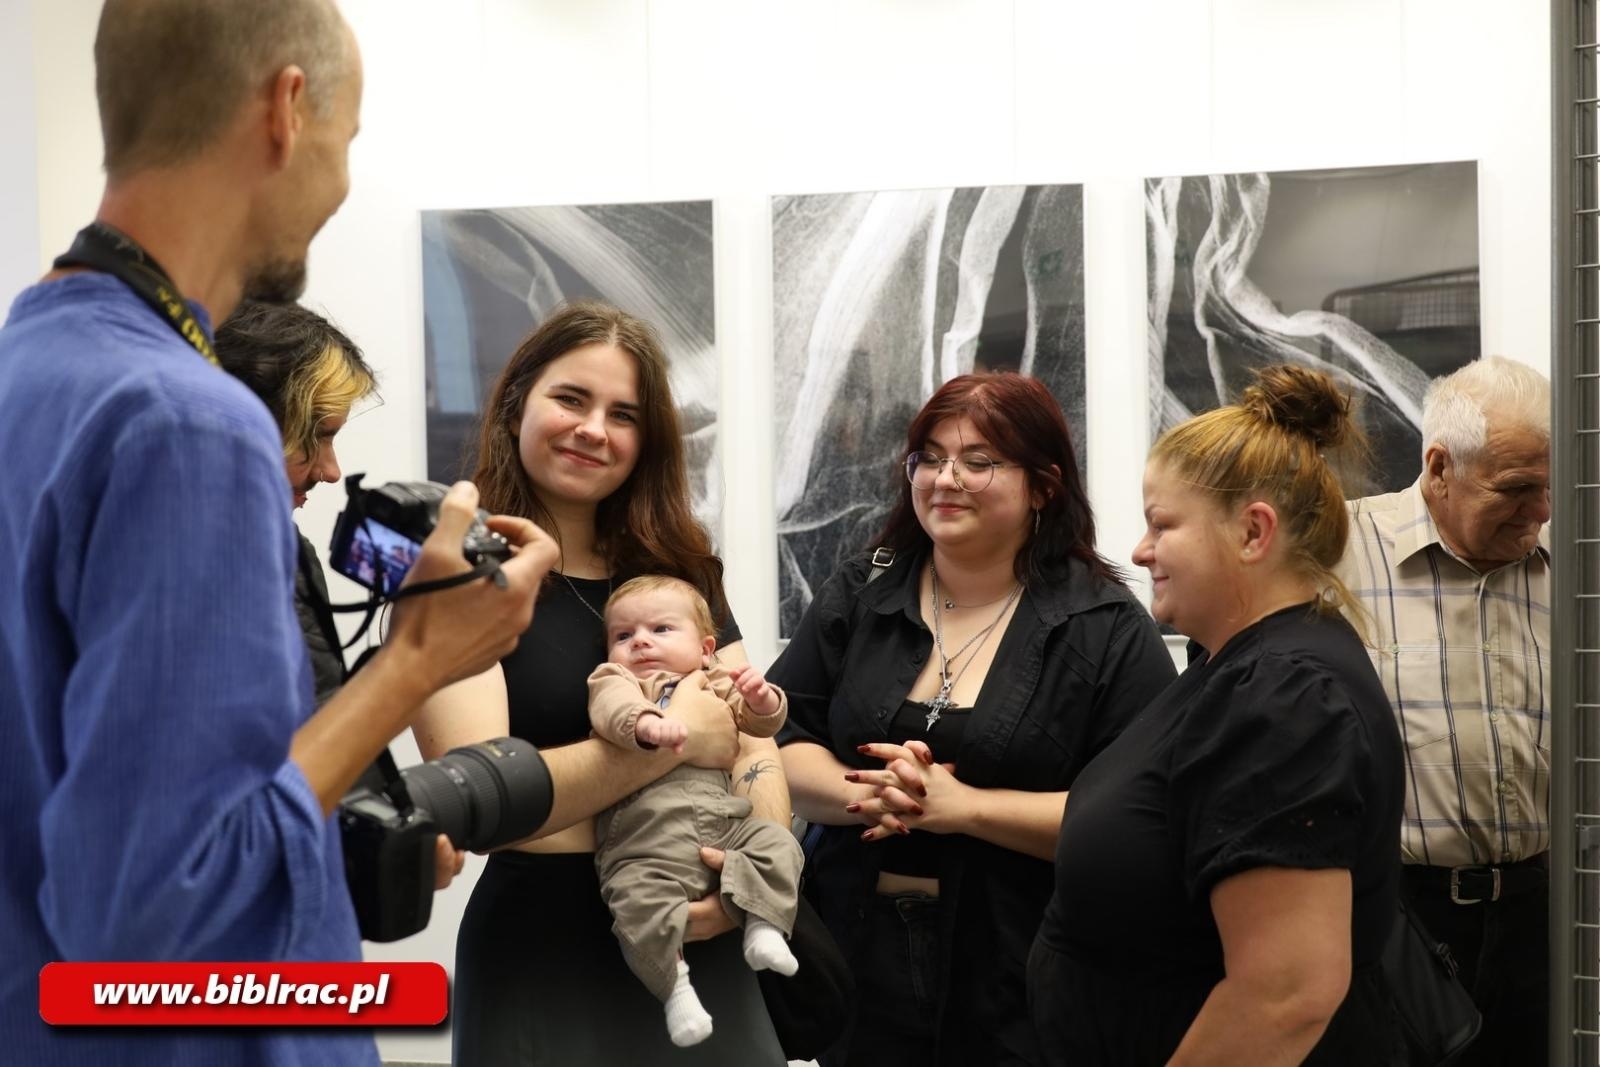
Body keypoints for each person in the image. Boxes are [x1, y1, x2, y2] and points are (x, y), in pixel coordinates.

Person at [0, 4, 562, 1065]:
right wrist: (413, 663)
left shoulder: (27, 369)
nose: (341, 185)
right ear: (286, 109)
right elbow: (151, 914)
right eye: (348, 146)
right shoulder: (185, 424)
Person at [411, 299, 791, 1064]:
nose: (595, 429)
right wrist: (683, 747)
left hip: (704, 934)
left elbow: (757, 753)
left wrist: (745, 875)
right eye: (572, 399)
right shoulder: (455, 570)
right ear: (517, 400)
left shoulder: (682, 571)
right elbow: (490, 805)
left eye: (623, 414)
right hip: (548, 954)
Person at [768, 371, 1176, 1066]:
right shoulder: (863, 587)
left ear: (1043, 485)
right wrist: (871, 793)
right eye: (929, 456)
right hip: (853, 953)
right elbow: (773, 741)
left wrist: (966, 809)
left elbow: (1141, 821)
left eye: (978, 461)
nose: (944, 477)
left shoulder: (1105, 625)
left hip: (1021, 971)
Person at [1028, 365, 1406, 1066]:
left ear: (1253, 532)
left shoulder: (1285, 697)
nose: (1140, 552)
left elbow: (1283, 996)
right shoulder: (1234, 663)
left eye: (1161, 525)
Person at [1335, 355, 1552, 1066]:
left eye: (1549, 487)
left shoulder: (1569, 565)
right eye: (1517, 488)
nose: (1540, 511)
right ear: (1438, 469)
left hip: (1544, 912)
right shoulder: (1345, 556)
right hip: (1401, 916)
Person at [588, 575, 803, 1046]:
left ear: (706, 648)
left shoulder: (711, 681)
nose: (640, 641)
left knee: (779, 844)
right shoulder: (617, 679)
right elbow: (610, 709)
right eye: (623, 636)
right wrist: (645, 723)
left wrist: (763, 699)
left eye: (661, 629)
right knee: (635, 902)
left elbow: (757, 726)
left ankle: (764, 926)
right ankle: (675, 987)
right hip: (644, 837)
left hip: (724, 823)